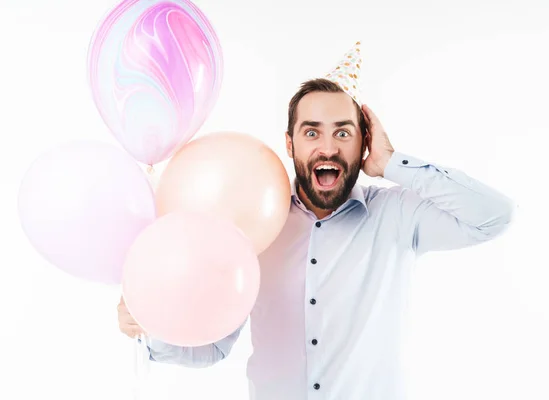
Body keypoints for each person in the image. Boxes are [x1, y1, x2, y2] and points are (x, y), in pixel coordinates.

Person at [117, 42, 516, 399]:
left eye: (343, 134)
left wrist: (392, 163)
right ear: (290, 144)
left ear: (364, 143)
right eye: (312, 133)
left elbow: (493, 216)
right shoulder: (253, 223)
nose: (327, 148)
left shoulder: (397, 216)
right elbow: (214, 346)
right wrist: (150, 325)